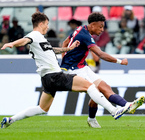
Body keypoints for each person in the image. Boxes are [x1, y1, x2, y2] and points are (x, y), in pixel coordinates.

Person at [1, 12, 134, 129]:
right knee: (90, 86)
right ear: (41, 23)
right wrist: (12, 43)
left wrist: (68, 49)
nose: (48, 27)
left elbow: (52, 50)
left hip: (47, 79)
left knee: (41, 109)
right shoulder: (34, 35)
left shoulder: (40, 39)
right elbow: (25, 40)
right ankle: (113, 110)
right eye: (47, 24)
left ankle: (10, 120)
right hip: (55, 75)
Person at [60, 12, 145, 128]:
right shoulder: (85, 36)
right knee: (96, 91)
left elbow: (65, 43)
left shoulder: (80, 29)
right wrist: (120, 61)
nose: (102, 29)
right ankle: (115, 111)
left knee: (105, 87)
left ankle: (126, 106)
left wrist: (64, 58)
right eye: (100, 26)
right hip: (73, 70)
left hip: (82, 67)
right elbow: (100, 54)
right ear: (93, 25)